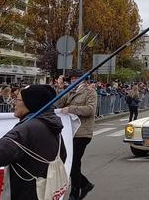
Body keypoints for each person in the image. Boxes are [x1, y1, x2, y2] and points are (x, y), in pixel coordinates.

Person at [56, 69, 97, 200]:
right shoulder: (70, 91)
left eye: (75, 78)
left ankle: (75, 192)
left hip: (82, 132)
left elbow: (90, 110)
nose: (73, 80)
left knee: (74, 162)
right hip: (70, 132)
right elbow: (58, 103)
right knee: (69, 161)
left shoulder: (90, 92)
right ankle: (85, 184)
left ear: (82, 79)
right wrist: (61, 89)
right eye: (71, 78)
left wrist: (71, 109)